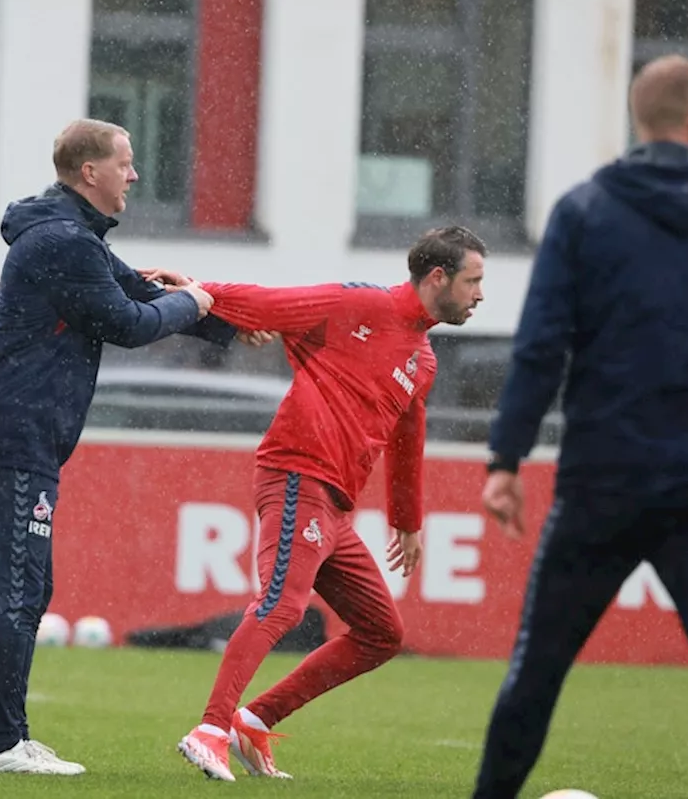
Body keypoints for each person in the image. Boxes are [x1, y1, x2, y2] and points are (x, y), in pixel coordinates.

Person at [473, 55, 688, 798]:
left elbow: (542, 346)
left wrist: (506, 456)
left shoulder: (583, 211)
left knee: (534, 675)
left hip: (602, 482)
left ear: (641, 122)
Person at [0, 118, 255, 775]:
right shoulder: (65, 241)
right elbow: (130, 323)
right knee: (18, 591)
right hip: (15, 431)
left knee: (32, 589)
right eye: (125, 162)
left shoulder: (73, 234)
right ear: (89, 171)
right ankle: (4, 745)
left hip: (25, 431)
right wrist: (199, 300)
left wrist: (232, 323)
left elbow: (144, 292)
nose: (135, 174)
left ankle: (10, 738)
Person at [170, 226, 488, 781]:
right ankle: (211, 729)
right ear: (438, 277)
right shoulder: (358, 304)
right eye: (473, 281)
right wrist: (198, 292)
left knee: (381, 632)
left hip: (334, 504)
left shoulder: (424, 359)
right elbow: (268, 303)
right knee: (281, 605)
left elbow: (408, 437)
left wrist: (407, 523)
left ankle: (255, 720)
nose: (480, 295)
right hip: (297, 473)